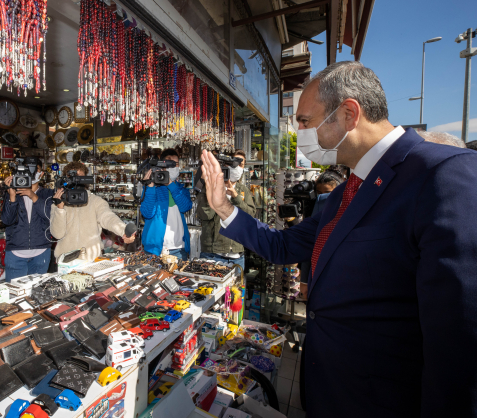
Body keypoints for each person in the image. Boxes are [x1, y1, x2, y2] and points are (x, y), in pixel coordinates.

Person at [200, 61, 477, 417]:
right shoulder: (347, 192)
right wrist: (224, 208)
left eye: (304, 121)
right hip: (329, 394)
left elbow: (461, 344)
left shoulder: (442, 172)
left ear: (348, 114)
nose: (299, 131)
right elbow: (283, 246)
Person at [50, 161, 135, 262]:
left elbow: (108, 218)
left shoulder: (96, 201)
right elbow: (57, 234)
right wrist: (59, 208)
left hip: (90, 260)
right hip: (65, 261)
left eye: (79, 178)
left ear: (85, 179)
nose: (76, 182)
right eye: (71, 178)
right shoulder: (58, 203)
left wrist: (123, 231)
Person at [197, 149, 254, 269]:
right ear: (227, 164)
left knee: (237, 288)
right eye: (235, 163)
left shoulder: (243, 190)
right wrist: (209, 186)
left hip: (237, 255)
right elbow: (205, 215)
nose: (238, 167)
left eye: (241, 165)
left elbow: (251, 216)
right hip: (213, 253)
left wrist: (236, 197)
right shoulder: (212, 187)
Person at [2, 159, 55, 280]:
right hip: (15, 251)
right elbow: (7, 220)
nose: (30, 174)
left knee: (38, 293)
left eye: (34, 170)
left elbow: (50, 217)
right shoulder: (13, 193)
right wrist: (12, 196)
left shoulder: (48, 194)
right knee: (15, 294)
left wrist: (33, 196)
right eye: (26, 170)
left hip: (41, 250)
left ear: (41, 174)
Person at [140, 149, 193, 260]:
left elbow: (185, 207)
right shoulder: (153, 188)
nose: (173, 167)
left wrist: (170, 184)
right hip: (155, 250)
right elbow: (147, 213)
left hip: (179, 249)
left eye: (175, 164)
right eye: (169, 164)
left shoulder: (181, 189)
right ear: (162, 166)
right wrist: (149, 187)